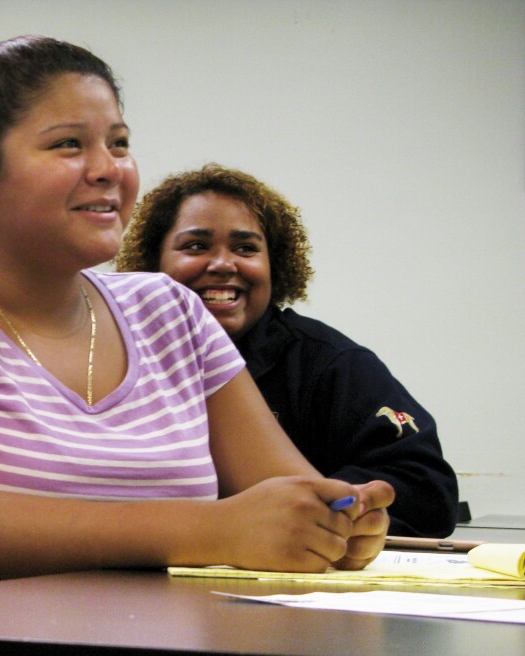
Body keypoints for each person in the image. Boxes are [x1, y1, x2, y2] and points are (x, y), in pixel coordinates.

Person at [0, 37, 393, 604]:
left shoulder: (170, 311)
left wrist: (338, 522)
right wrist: (220, 528)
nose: (109, 169)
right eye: (68, 144)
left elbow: (293, 497)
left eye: (119, 143)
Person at [114, 163, 457, 538]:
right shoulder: (111, 354)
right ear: (152, 262)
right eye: (196, 246)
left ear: (274, 267)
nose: (223, 264)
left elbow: (426, 491)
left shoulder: (332, 364)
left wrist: (329, 508)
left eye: (246, 248)